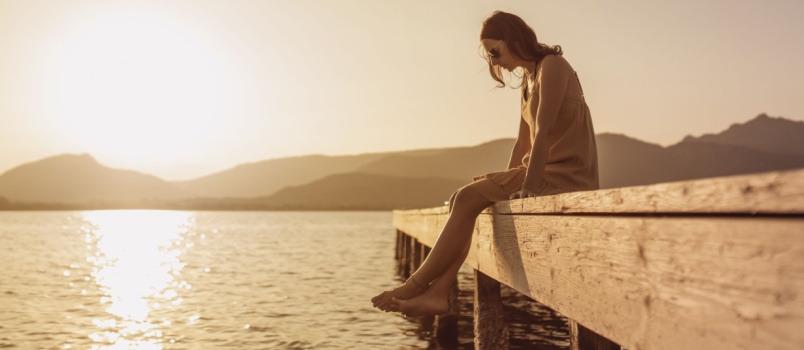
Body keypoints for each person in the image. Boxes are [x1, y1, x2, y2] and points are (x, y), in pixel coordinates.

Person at [371, 10, 599, 317]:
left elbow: (544, 131)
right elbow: (523, 143)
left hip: (564, 175)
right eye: (489, 54)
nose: (494, 61)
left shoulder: (553, 66)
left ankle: (416, 285)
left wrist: (528, 189)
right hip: (541, 170)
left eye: (495, 51)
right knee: (461, 200)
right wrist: (502, 185)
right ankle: (438, 293)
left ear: (515, 39)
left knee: (466, 197)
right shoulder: (528, 82)